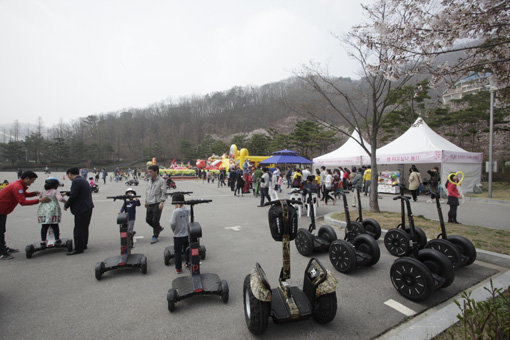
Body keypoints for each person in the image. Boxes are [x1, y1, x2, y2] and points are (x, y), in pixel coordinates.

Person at [0, 171, 50, 260]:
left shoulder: (19, 185)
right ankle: (2, 253)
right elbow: (22, 202)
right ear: (27, 178)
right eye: (32, 180)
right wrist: (39, 200)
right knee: (0, 232)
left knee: (2, 230)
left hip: (3, 211)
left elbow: (23, 194)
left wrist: (33, 193)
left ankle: (3, 248)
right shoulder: (17, 186)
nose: (33, 182)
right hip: (1, 210)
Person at [64, 167, 94, 255]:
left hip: (81, 208)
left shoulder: (76, 181)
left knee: (78, 229)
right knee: (84, 227)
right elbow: (79, 191)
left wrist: (66, 205)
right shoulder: (83, 180)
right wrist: (67, 193)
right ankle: (84, 244)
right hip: (88, 207)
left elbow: (74, 195)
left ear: (69, 174)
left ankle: (78, 248)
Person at [37, 177, 67, 247]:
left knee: (44, 226)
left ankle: (43, 241)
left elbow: (40, 197)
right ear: (55, 185)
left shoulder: (43, 191)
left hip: (43, 210)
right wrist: (66, 202)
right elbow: (60, 198)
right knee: (55, 225)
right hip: (53, 210)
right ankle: (57, 239)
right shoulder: (55, 191)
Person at [145, 165, 166, 244]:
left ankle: (155, 236)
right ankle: (159, 228)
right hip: (150, 202)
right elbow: (147, 191)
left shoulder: (161, 181)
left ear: (155, 171)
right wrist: (146, 201)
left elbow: (164, 192)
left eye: (150, 172)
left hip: (157, 203)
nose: (149, 173)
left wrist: (162, 202)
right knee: (148, 220)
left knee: (155, 220)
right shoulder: (149, 180)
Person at [169, 193, 189, 274]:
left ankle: (178, 268)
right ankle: (188, 263)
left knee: (177, 252)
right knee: (187, 250)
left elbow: (172, 223)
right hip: (186, 234)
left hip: (177, 235)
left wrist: (174, 230)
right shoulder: (187, 210)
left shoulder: (175, 212)